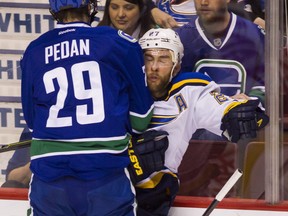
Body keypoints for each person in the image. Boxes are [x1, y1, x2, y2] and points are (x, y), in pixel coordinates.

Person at [20, 0, 154, 215]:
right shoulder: (119, 42)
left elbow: (33, 122)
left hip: (49, 180)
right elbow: (140, 120)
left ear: (53, 10)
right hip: (104, 175)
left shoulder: (34, 50)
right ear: (90, 7)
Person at [128, 28, 268, 216]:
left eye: (163, 59)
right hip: (113, 188)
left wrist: (235, 110)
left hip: (151, 196)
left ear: (176, 65)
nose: (154, 67)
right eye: (148, 58)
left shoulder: (189, 92)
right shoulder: (122, 87)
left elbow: (216, 107)